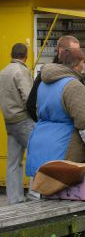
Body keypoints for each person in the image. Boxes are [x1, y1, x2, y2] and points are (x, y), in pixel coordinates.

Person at [25, 48, 85, 177]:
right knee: (67, 194)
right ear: (78, 64)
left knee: (46, 192)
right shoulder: (73, 86)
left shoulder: (43, 83)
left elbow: (34, 109)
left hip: (41, 144)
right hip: (65, 149)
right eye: (83, 63)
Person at [0, 43, 35, 204]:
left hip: (9, 121)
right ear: (25, 56)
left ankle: (14, 199)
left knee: (13, 162)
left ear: (11, 54)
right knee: (37, 154)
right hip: (23, 120)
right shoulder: (22, 71)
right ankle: (35, 194)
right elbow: (28, 98)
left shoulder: (3, 72)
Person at [26, 35, 80, 122]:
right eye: (73, 51)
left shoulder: (76, 75)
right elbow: (31, 105)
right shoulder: (44, 75)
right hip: (66, 131)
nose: (77, 55)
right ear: (61, 50)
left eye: (78, 51)